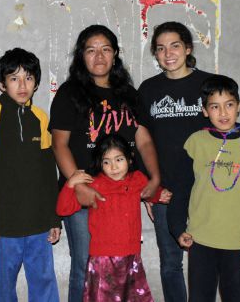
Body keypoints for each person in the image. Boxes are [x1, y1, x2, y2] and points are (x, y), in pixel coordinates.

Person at [49, 24, 161, 301]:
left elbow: (144, 141)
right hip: (84, 196)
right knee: (84, 268)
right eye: (91, 50)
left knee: (124, 271)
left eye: (105, 49)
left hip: (121, 197)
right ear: (81, 56)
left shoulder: (129, 95)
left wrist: (155, 179)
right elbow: (59, 143)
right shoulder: (70, 93)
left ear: (115, 55)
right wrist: (78, 185)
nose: (99, 57)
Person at [167, 74, 240, 301]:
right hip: (200, 242)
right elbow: (181, 191)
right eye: (215, 106)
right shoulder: (195, 142)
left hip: (239, 244)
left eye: (229, 105)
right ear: (205, 110)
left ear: (239, 107)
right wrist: (178, 229)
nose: (223, 113)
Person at [137, 21, 212, 302]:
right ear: (156, 54)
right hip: (167, 193)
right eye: (161, 48)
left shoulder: (208, 85)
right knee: (171, 264)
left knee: (206, 263)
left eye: (175, 45)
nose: (168, 53)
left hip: (207, 191)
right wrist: (151, 189)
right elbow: (141, 144)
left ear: (188, 48)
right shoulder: (147, 90)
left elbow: (223, 135)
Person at [0, 48, 61, 302]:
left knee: (44, 283)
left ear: (36, 83)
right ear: (2, 84)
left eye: (28, 77)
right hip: (5, 227)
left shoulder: (40, 117)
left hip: (38, 223)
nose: (22, 84)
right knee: (4, 288)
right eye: (14, 78)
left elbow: (49, 172)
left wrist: (53, 218)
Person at [56, 134, 171, 302]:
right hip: (102, 260)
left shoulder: (137, 179)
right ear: (100, 163)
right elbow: (63, 209)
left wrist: (160, 194)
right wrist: (70, 184)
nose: (113, 166)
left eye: (119, 159)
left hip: (131, 256)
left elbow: (149, 192)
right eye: (106, 161)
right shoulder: (92, 184)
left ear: (130, 159)